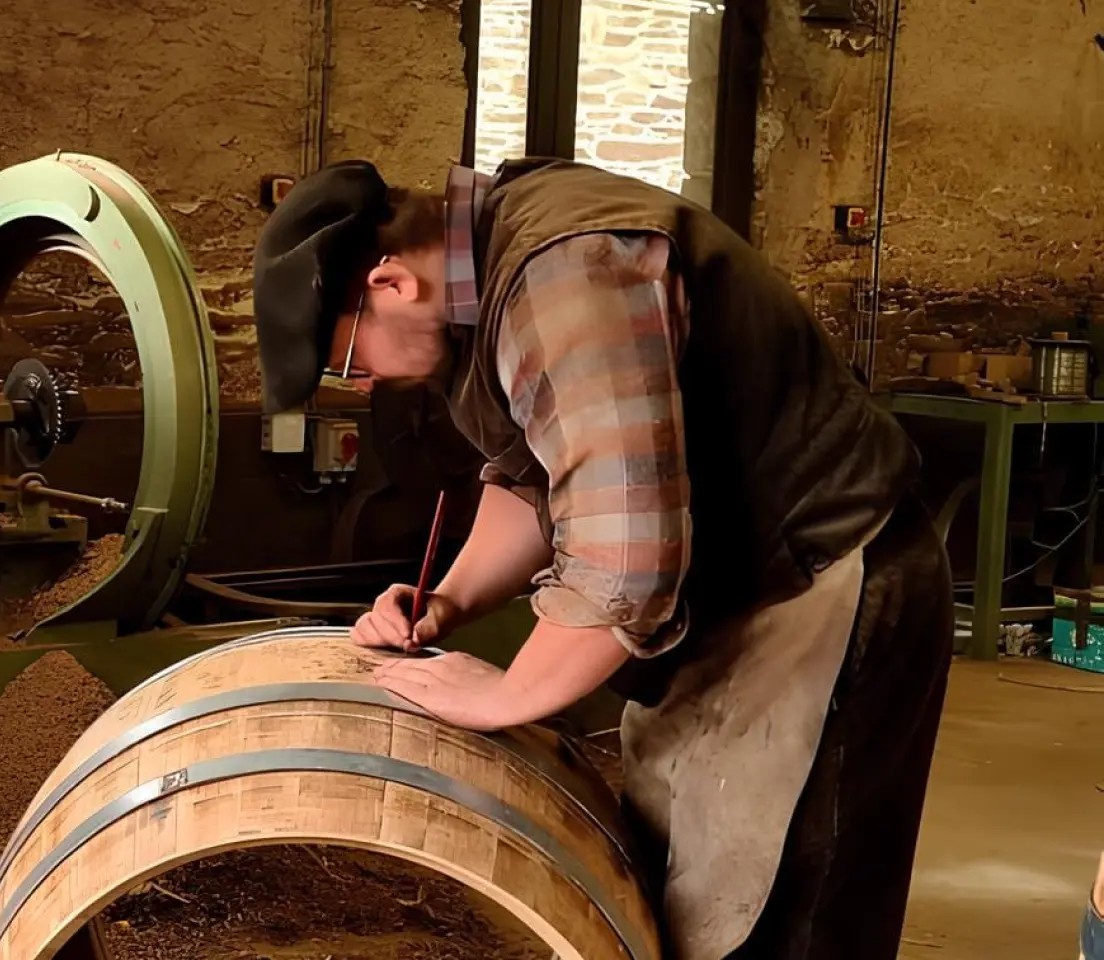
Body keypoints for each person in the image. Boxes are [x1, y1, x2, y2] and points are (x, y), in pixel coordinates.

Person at [251, 157, 953, 960]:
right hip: (724, 599)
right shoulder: (480, 289)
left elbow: (625, 564)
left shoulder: (563, 276)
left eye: (349, 360)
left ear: (391, 285)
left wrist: (508, 694)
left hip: (823, 584)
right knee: (672, 897)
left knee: (780, 918)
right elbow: (535, 483)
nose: (366, 384)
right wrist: (447, 602)